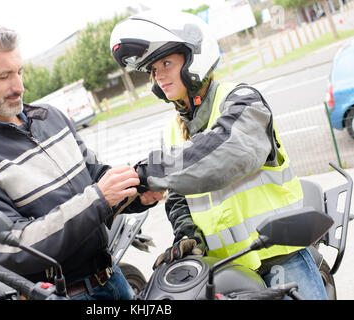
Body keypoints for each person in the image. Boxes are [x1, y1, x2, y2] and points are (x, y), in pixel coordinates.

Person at [110, 10, 328, 299]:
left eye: (166, 63)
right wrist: (188, 234)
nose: (159, 75)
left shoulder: (242, 100)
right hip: (226, 271)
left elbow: (224, 151)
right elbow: (178, 197)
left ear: (194, 59)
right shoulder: (172, 131)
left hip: (281, 259)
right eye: (152, 69)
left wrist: (147, 172)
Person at [0, 25, 163, 300]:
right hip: (65, 294)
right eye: (4, 77)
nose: (19, 86)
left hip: (113, 278)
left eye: (19, 71)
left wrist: (136, 194)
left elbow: (93, 177)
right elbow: (14, 248)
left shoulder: (51, 117)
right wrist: (98, 199)